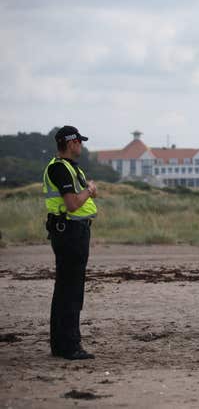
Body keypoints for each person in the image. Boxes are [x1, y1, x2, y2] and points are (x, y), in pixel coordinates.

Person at [43, 126, 98, 360]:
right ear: (71, 142)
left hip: (73, 231)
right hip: (70, 232)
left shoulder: (69, 168)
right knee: (71, 291)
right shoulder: (60, 169)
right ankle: (70, 346)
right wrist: (90, 190)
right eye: (79, 141)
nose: (82, 146)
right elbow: (73, 203)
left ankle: (61, 344)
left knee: (66, 289)